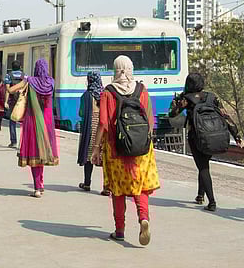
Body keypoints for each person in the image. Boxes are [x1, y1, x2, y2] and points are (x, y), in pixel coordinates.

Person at [91, 55, 159, 246]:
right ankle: (143, 218)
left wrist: (96, 148)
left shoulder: (108, 93)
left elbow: (103, 123)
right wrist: (145, 140)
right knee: (141, 187)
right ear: (131, 69)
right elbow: (150, 119)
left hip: (116, 148)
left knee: (118, 190)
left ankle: (119, 230)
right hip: (142, 149)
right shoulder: (142, 90)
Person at [169, 73, 243, 211]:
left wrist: (177, 100)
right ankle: (200, 195)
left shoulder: (187, 99)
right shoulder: (212, 97)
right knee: (203, 164)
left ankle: (212, 202)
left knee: (203, 167)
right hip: (213, 136)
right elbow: (225, 116)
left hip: (196, 137)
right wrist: (236, 135)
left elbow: (172, 113)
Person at [8, 59, 59, 198]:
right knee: (42, 153)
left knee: (34, 153)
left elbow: (11, 90)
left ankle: (37, 187)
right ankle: (41, 185)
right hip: (48, 122)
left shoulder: (30, 81)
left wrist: (22, 82)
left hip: (33, 121)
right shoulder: (51, 82)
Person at [77, 71, 109, 196]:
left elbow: (81, 113)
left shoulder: (86, 96)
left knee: (89, 156)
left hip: (90, 129)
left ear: (89, 80)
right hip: (103, 129)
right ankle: (106, 187)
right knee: (104, 157)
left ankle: (87, 183)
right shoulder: (105, 95)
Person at [5, 60, 24, 148]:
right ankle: (24, 141)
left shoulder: (8, 76)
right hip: (22, 100)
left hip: (13, 100)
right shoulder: (25, 76)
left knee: (12, 121)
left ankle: (13, 142)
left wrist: (6, 101)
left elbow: (7, 90)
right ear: (20, 67)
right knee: (24, 121)